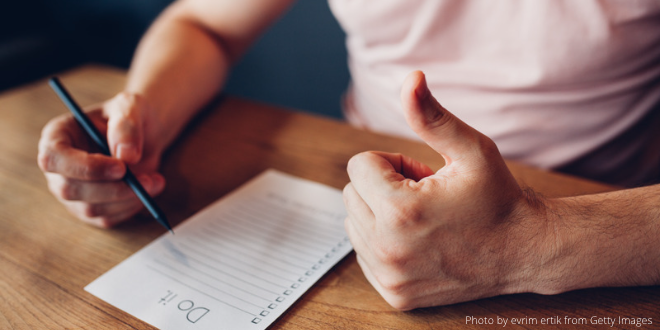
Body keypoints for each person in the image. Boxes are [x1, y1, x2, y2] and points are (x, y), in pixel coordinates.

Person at [38, 0, 660, 310]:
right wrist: (145, 116)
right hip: (350, 217)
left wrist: (530, 243)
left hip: (599, 241)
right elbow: (205, 22)